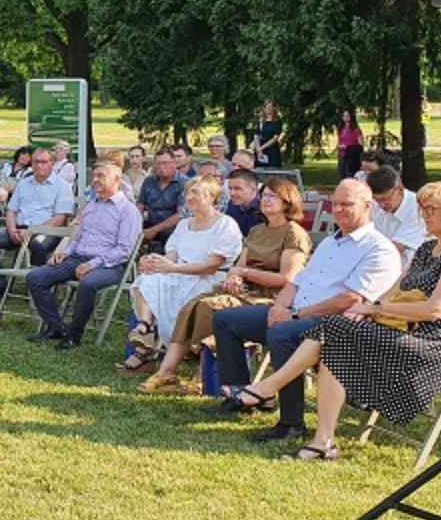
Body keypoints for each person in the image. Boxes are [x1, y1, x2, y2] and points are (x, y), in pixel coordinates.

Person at [225, 181, 441, 461]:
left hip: (434, 345)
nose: (424, 214)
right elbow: (395, 291)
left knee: (333, 329)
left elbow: (436, 310)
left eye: (431, 209)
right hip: (401, 330)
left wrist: (373, 308)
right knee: (336, 332)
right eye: (422, 208)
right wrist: (366, 308)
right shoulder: (427, 249)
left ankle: (269, 390)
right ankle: (322, 440)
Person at [212, 179, 401, 445]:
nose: (338, 210)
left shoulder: (379, 249)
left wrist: (295, 316)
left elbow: (349, 299)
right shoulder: (329, 243)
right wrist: (279, 307)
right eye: (334, 204)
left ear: (368, 206)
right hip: (295, 312)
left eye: (347, 204)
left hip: (331, 325)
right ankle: (246, 396)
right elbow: (297, 281)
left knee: (282, 333)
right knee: (225, 320)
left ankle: (291, 423)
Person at [136, 179, 312, 393]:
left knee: (209, 307)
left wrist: (243, 273)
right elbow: (239, 266)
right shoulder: (258, 230)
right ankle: (167, 372)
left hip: (275, 297)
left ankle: (202, 376)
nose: (266, 200)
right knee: (193, 304)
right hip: (245, 290)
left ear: (287, 201)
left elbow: (287, 278)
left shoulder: (293, 233)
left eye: (272, 196)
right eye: (264, 195)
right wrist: (235, 277)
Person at [124, 175, 243, 366]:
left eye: (195, 193)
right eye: (188, 193)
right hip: (179, 273)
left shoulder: (225, 224)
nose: (189, 197)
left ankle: (148, 349)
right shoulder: (183, 224)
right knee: (146, 280)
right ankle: (145, 328)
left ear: (212, 197)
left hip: (209, 279)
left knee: (174, 288)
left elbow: (211, 266)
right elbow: (171, 255)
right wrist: (155, 262)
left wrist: (172, 267)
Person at [26, 163, 141, 350]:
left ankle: (74, 335)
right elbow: (78, 236)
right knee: (35, 277)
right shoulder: (91, 205)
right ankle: (57, 328)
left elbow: (124, 250)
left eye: (101, 176)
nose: (95, 180)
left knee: (87, 284)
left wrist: (92, 264)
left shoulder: (128, 211)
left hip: (110, 265)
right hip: (77, 258)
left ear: (117, 181)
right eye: (94, 176)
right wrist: (64, 253)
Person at [0, 147, 72, 290]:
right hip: (17, 229)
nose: (39, 165)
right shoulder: (23, 183)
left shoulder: (62, 186)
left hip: (46, 232)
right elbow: (11, 210)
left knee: (37, 245)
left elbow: (60, 218)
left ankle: (37, 286)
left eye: (44, 162)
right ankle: (0, 284)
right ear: (31, 164)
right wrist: (12, 229)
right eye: (36, 162)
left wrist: (32, 232)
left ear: (52, 163)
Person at [368, 165, 426, 264]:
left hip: (412, 268)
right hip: (379, 259)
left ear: (400, 189)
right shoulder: (373, 204)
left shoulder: (418, 207)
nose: (382, 205)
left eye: (386, 199)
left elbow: (394, 249)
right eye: (377, 200)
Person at [137, 150, 185, 254]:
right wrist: (137, 223)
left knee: (167, 234)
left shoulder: (184, 183)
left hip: (173, 227)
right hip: (150, 222)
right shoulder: (149, 181)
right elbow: (140, 204)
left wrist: (154, 230)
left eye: (165, 163)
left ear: (174, 163)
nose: (161, 166)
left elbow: (181, 214)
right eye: (158, 163)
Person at [225, 169, 265, 237]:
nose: (232, 193)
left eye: (237, 188)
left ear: (253, 188)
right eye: (230, 188)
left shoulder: (265, 207)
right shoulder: (232, 204)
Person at [254, 102, 284, 168]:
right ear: (264, 108)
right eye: (267, 107)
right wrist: (258, 149)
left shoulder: (277, 121)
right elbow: (256, 135)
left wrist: (261, 148)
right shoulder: (260, 121)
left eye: (270, 107)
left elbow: (275, 138)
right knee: (259, 171)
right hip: (260, 151)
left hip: (272, 150)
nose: (268, 109)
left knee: (273, 171)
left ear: (274, 108)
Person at [336, 109, 364, 180]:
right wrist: (339, 147)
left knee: (350, 175)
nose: (346, 117)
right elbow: (339, 142)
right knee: (341, 175)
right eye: (344, 116)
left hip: (351, 157)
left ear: (351, 117)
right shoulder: (341, 128)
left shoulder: (355, 129)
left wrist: (349, 147)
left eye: (347, 115)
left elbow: (360, 144)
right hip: (342, 155)